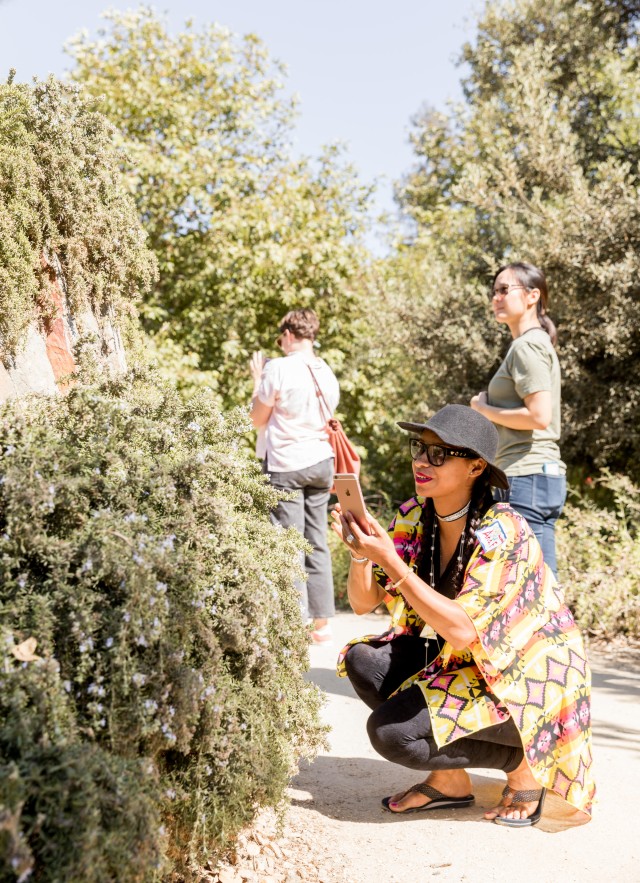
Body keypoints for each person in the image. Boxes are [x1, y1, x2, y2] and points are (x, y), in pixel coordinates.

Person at [331, 404, 594, 826]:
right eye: (419, 448)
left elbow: (461, 630)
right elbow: (364, 602)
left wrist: (393, 564)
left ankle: (522, 765)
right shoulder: (414, 515)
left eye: (439, 453)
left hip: (526, 683)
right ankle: (451, 780)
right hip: (466, 665)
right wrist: (361, 553)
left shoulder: (503, 530)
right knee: (363, 660)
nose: (422, 461)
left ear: (476, 466)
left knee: (392, 734)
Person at [471, 262, 565, 576]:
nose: (496, 297)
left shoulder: (527, 346)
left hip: (526, 476)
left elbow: (539, 416)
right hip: (534, 477)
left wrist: (483, 409)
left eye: (504, 289)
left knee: (527, 582)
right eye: (493, 291)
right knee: (539, 581)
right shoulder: (530, 344)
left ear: (532, 296)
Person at [250, 308, 339, 644]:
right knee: (316, 541)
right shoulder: (326, 371)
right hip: (321, 462)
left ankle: (295, 621)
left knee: (289, 542)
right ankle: (322, 623)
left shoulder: (278, 368)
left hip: (286, 464)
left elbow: (257, 419)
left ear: (288, 335)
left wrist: (257, 381)